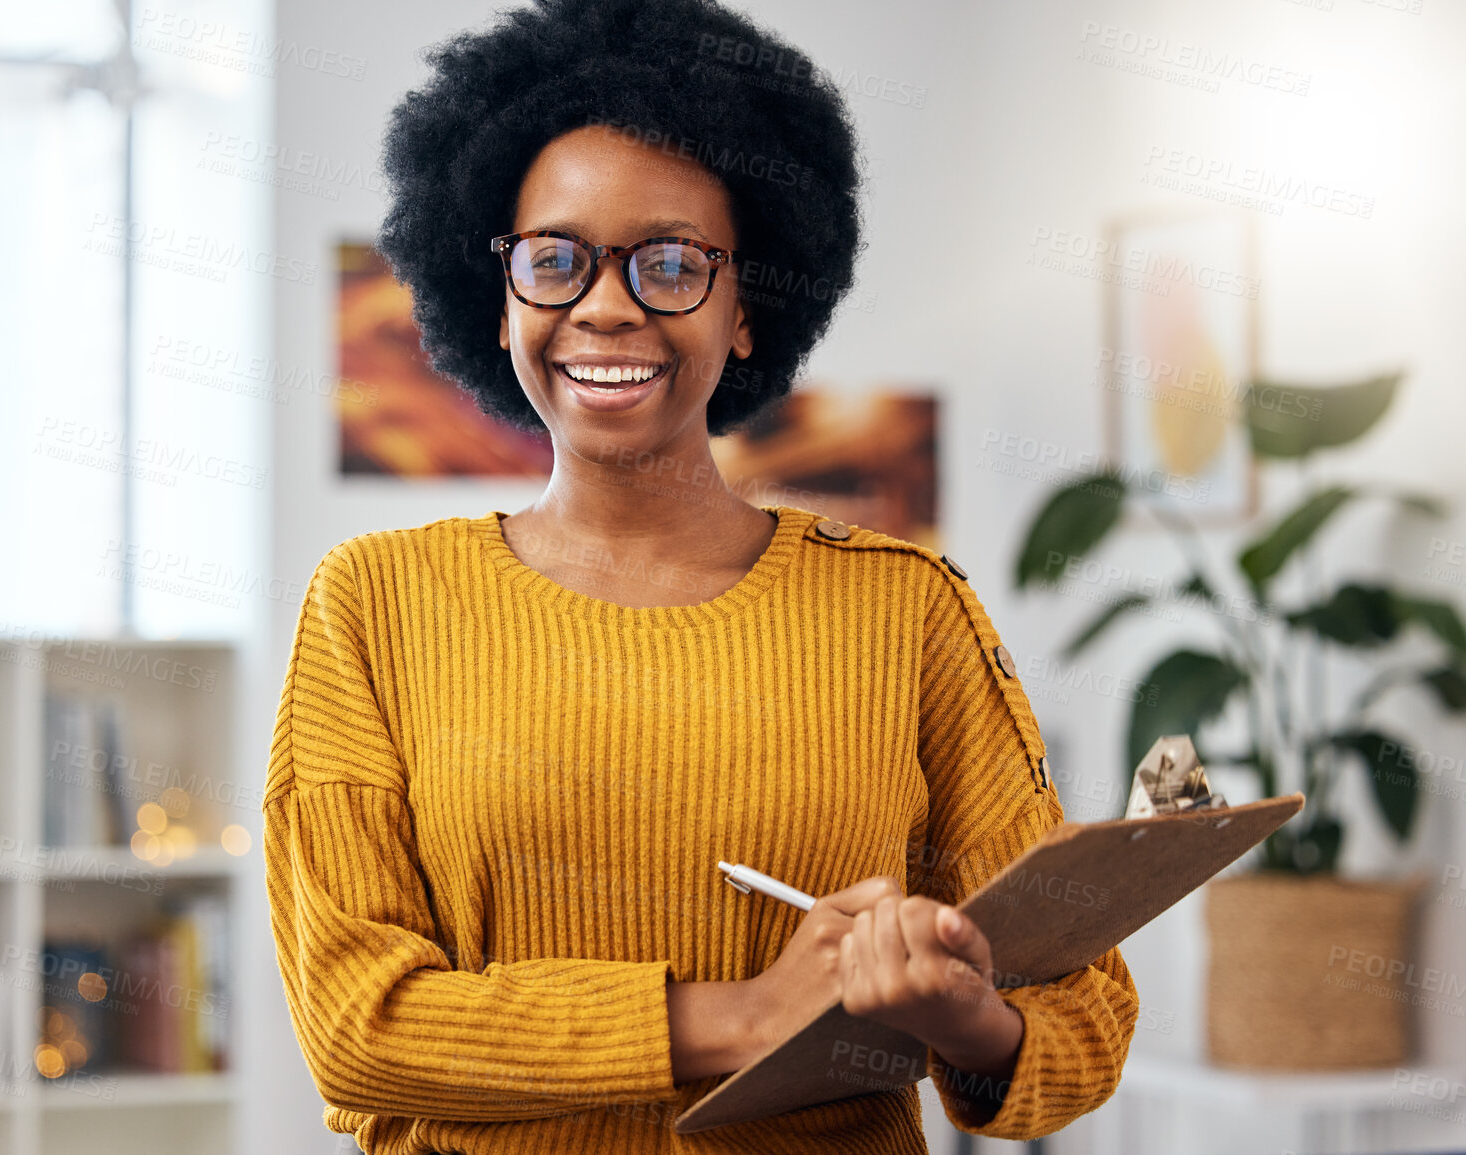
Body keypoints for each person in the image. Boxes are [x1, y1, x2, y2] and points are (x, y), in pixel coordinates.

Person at [262, 0, 1137, 1151]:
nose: (607, 304)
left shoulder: (904, 607)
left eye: (672, 262)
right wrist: (742, 1017)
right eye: (555, 260)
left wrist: (961, 1015)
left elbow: (1082, 1016)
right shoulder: (372, 603)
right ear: (502, 294)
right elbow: (356, 1026)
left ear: (746, 312)